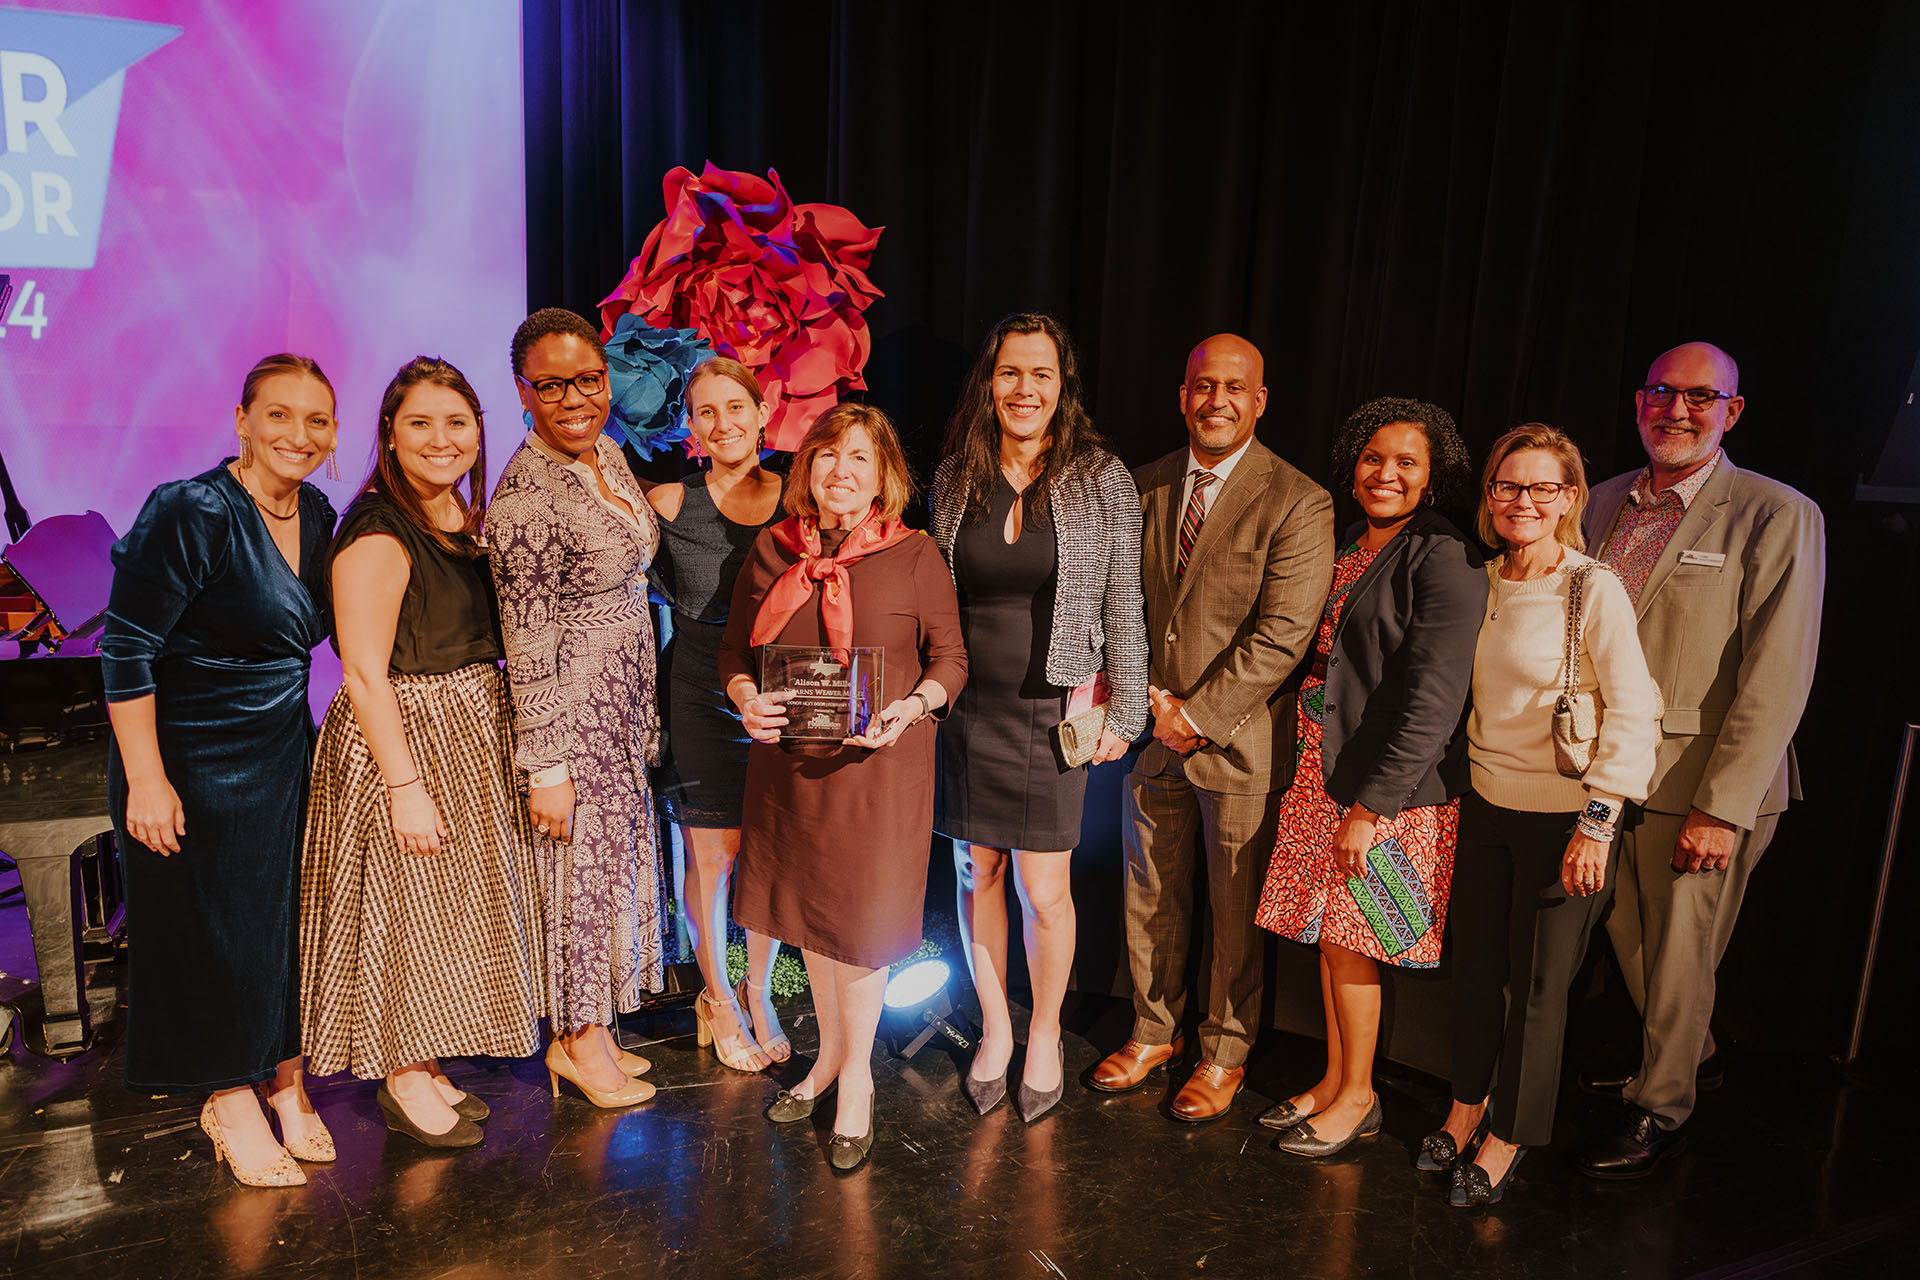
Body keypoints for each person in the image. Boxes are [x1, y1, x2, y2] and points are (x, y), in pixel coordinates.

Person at [1570, 342, 1825, 1178]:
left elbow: (1777, 673)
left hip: (1701, 782)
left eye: (1699, 397)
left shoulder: (1775, 513)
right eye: (1660, 393)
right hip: (1611, 774)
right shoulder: (1601, 500)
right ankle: (1689, 1056)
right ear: (1638, 400)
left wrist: (1726, 804)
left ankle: (1661, 1106)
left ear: (1732, 412)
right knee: (1630, 940)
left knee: (1680, 952)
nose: (1675, 411)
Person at [104, 353, 341, 1187]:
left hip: (280, 750)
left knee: (277, 926)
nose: (297, 435)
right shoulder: (193, 508)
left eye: (317, 420)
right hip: (188, 759)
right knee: (209, 934)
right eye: (278, 415)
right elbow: (126, 646)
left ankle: (285, 1077)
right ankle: (226, 1095)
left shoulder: (317, 510)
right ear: (242, 420)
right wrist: (146, 778)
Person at [1089, 334, 1335, 1121]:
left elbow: (1284, 634)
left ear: (1259, 401)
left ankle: (1225, 1050)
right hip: (1150, 737)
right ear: (1183, 394)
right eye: (1203, 385)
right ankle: (1154, 1031)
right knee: (1149, 898)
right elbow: (1118, 608)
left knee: (1235, 917)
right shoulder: (1146, 484)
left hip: (1234, 744)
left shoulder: (1299, 499)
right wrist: (1147, 704)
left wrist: (1193, 716)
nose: (1217, 400)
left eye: (1235, 387)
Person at [302, 357, 546, 1148]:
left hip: (469, 729)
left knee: (440, 908)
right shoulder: (379, 527)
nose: (441, 440)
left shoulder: (458, 520)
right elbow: (364, 673)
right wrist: (404, 783)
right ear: (389, 435)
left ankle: (428, 1058)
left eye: (457, 423)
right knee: (404, 908)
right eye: (420, 424)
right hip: (408, 735)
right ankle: (402, 1074)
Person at [718, 402, 967, 1171]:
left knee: (859, 929)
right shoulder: (770, 549)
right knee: (814, 923)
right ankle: (826, 1059)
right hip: (790, 771)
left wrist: (912, 706)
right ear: (807, 470)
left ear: (884, 474)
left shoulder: (916, 553)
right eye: (826, 456)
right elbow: (733, 652)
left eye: (859, 458)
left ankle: (854, 1080)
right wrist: (744, 697)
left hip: (878, 770)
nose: (841, 471)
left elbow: (950, 660)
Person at [928, 313, 1147, 1123]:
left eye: (1041, 375)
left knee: (1044, 889)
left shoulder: (1101, 477)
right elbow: (934, 595)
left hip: (1054, 709)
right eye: (1010, 373)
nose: (1025, 390)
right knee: (974, 871)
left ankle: (1046, 1033)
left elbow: (1125, 595)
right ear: (990, 382)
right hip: (965, 706)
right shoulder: (957, 475)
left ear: (1063, 387)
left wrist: (1127, 703)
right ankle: (994, 1030)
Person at [1252, 397, 1485, 1157]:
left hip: (1388, 789)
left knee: (1356, 938)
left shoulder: (1442, 553)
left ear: (1433, 476)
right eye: (1373, 458)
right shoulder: (1352, 539)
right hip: (1326, 766)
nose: (1386, 473)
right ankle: (1332, 1078)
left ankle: (1359, 1097)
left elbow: (1436, 698)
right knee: (1331, 940)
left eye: (1406, 463)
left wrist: (1372, 806)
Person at [1435, 424, 1660, 1207]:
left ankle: (1511, 1135)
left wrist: (1599, 824)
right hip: (1486, 805)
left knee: (1537, 988)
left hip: (1567, 818)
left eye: (1542, 488)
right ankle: (1467, 1105)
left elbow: (1636, 711)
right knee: (1475, 973)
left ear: (1570, 497)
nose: (1521, 501)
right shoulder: (1480, 577)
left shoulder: (1591, 587)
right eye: (1507, 485)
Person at [487, 308, 663, 1110]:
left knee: (610, 865)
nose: (572, 398)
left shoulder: (608, 457)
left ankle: (595, 1027)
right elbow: (523, 644)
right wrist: (545, 766)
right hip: (571, 706)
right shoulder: (525, 496)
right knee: (579, 872)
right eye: (550, 385)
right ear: (524, 391)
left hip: (622, 700)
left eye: (586, 379)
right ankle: (576, 1041)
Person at [648, 357, 788, 1074]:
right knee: (713, 857)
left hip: (782, 696)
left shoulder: (801, 495)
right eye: (706, 412)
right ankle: (718, 1001)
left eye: (736, 407)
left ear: (763, 412)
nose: (723, 423)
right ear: (689, 427)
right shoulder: (670, 501)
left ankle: (757, 991)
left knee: (767, 855)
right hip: (702, 694)